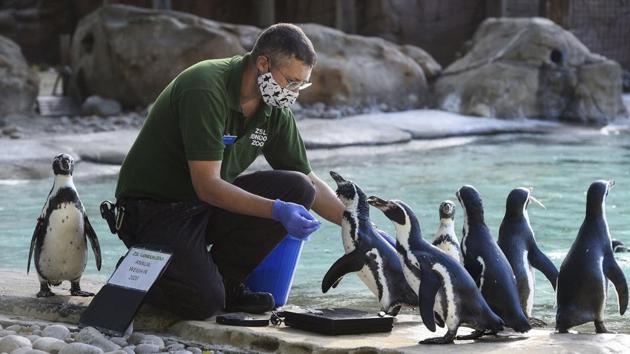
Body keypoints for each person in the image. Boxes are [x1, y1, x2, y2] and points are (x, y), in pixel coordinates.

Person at [114, 23, 344, 320]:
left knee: (299, 189)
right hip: (154, 210)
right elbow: (207, 185)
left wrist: (358, 227)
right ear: (263, 63)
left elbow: (308, 178)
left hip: (202, 207)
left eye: (301, 85)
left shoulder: (274, 108)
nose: (293, 93)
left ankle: (226, 280)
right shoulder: (206, 87)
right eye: (290, 82)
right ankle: (140, 272)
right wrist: (275, 210)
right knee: (204, 304)